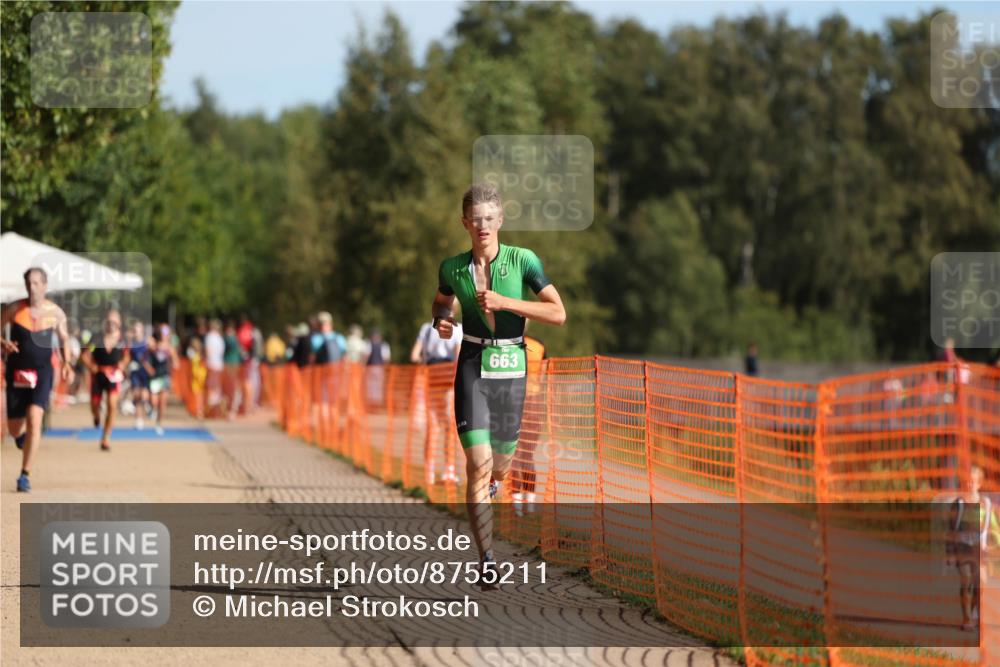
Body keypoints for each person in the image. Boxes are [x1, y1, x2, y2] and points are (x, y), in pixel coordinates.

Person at [429, 183, 566, 588]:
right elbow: (440, 301)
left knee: (500, 468)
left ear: (500, 221)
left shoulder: (523, 260)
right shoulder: (452, 268)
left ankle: (491, 485)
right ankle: (486, 558)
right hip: (472, 363)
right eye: (476, 219)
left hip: (511, 365)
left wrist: (506, 303)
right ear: (465, 223)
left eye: (490, 218)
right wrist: (441, 319)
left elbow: (558, 313)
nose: (483, 225)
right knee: (477, 464)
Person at [1, 268, 75, 491]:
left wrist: (67, 363)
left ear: (44, 285)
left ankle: (24, 475)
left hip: (42, 372)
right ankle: (22, 439)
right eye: (28, 283)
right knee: (14, 429)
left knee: (35, 417)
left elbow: (64, 339)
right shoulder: (15, 309)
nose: (32, 288)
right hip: (16, 372)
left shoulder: (56, 312)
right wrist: (3, 343)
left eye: (36, 283)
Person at [510, 327, 547, 515]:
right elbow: (545, 376)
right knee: (527, 454)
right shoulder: (539, 346)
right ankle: (529, 504)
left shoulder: (504, 346)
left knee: (514, 454)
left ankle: (517, 505)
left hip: (510, 403)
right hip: (534, 402)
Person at [83, 309, 129, 451]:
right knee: (95, 405)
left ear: (119, 323)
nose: (111, 324)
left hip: (114, 376)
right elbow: (85, 355)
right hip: (98, 376)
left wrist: (123, 364)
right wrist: (91, 366)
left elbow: (127, 356)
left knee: (112, 405)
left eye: (114, 322)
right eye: (109, 321)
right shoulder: (96, 338)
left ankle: (105, 438)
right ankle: (96, 416)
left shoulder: (122, 340)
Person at [144, 329, 178, 435]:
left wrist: (174, 362)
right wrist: (149, 369)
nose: (165, 335)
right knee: (154, 401)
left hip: (165, 377)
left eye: (166, 333)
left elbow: (175, 361)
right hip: (154, 377)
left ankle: (159, 423)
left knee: (162, 402)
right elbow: (144, 359)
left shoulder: (170, 348)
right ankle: (152, 409)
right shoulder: (153, 346)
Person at [127, 321, 151, 429]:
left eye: (137, 329)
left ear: (141, 330)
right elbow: (127, 357)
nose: (135, 331)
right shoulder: (131, 344)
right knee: (136, 396)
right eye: (134, 329)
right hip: (135, 372)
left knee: (143, 396)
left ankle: (148, 405)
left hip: (145, 372)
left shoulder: (147, 343)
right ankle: (139, 419)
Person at [204, 319, 226, 416]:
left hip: (212, 363)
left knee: (211, 385)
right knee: (216, 385)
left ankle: (211, 407)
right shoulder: (219, 338)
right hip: (218, 364)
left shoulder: (210, 336)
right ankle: (215, 406)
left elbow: (208, 350)